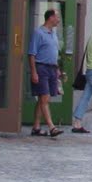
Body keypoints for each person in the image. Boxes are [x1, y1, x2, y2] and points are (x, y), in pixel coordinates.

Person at [27, 8, 64, 137]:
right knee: (45, 98)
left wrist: (57, 68)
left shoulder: (53, 33)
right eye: (57, 17)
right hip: (41, 67)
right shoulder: (38, 33)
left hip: (52, 68)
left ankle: (36, 127)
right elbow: (31, 53)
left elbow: (53, 52)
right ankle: (51, 127)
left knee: (42, 98)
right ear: (51, 18)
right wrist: (33, 72)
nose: (59, 20)